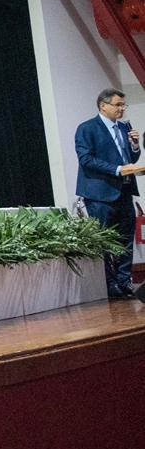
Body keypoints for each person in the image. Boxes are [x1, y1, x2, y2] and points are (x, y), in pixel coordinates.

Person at [74, 88, 143, 298]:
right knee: (104, 241)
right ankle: (110, 284)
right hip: (99, 195)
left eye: (123, 105)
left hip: (124, 192)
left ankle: (124, 281)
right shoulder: (87, 128)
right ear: (103, 106)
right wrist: (118, 169)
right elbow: (86, 159)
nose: (122, 109)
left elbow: (129, 158)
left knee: (126, 239)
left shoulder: (123, 127)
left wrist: (135, 146)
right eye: (118, 105)